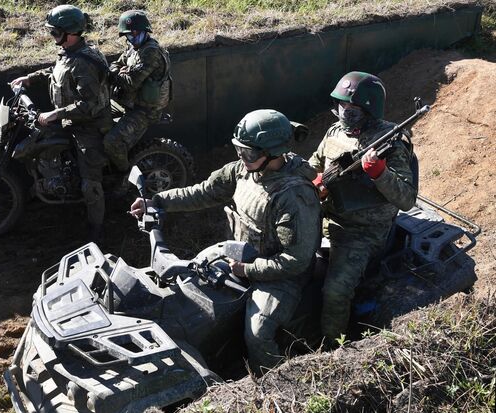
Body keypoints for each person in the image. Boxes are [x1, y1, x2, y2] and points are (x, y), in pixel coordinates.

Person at [130, 109, 321, 375]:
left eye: (250, 154)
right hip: (238, 255)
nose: (242, 158)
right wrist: (158, 201)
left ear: (274, 153)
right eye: (239, 150)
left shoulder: (295, 197)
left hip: (281, 276)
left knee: (258, 332)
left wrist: (248, 270)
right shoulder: (243, 171)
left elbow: (295, 261)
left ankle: (275, 381)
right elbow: (203, 192)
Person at [308, 71, 417, 344]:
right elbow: (315, 163)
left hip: (363, 231)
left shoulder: (391, 144)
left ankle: (333, 347)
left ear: (370, 111)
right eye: (342, 108)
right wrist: (313, 181)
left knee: (335, 292)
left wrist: (380, 172)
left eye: (353, 111)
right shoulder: (334, 132)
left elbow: (406, 199)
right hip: (326, 215)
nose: (345, 115)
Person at [11, 4, 112, 241]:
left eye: (56, 33)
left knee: (90, 183)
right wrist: (30, 78)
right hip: (71, 120)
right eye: (52, 32)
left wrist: (55, 115)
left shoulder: (84, 63)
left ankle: (96, 229)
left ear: (72, 32)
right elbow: (57, 70)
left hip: (89, 125)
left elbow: (90, 105)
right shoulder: (70, 51)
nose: (53, 37)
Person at [104, 9, 171, 172]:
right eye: (128, 35)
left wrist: (121, 73)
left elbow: (129, 83)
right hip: (128, 103)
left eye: (136, 33)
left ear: (146, 31)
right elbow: (115, 65)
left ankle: (126, 176)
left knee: (111, 142)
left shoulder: (150, 51)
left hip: (145, 110)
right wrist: (121, 70)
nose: (132, 38)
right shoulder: (133, 47)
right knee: (96, 116)